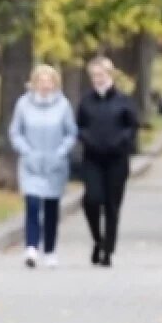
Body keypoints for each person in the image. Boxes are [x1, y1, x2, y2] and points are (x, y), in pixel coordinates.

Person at [9, 63, 77, 268]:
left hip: (54, 164)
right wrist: (26, 150)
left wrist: (61, 152)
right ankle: (31, 247)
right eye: (41, 81)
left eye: (49, 82)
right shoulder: (23, 104)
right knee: (32, 204)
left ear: (56, 84)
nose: (45, 85)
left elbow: (71, 133)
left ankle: (50, 250)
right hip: (31, 163)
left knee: (51, 208)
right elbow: (15, 132)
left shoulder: (63, 106)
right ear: (34, 83)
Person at [76, 57, 138, 268]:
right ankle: (97, 238)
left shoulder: (123, 100)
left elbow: (131, 127)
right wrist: (87, 139)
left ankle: (108, 249)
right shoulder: (86, 101)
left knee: (112, 204)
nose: (97, 79)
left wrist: (121, 142)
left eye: (101, 75)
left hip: (116, 159)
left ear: (110, 75)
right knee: (92, 200)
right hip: (93, 158)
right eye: (94, 76)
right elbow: (80, 126)